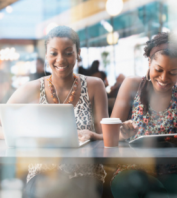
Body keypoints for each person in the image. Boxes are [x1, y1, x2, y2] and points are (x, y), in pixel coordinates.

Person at [0, 26, 108, 198]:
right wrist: (30, 135)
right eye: (54, 53)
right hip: (43, 173)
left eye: (67, 52)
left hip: (85, 172)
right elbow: (4, 123)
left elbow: (107, 137)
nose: (60, 60)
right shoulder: (33, 88)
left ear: (78, 54)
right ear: (46, 55)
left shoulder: (94, 85)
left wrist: (92, 135)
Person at [110, 32, 177, 198]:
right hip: (131, 169)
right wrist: (123, 132)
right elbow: (110, 135)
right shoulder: (132, 84)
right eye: (159, 70)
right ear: (149, 62)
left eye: (173, 72)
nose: (164, 78)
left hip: (171, 171)